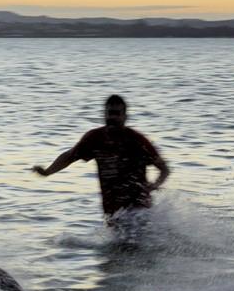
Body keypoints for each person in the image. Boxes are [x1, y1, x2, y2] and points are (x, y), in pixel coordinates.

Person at [31, 95, 169, 222]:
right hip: (112, 210)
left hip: (138, 208)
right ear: (104, 115)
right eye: (110, 113)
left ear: (125, 117)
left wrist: (154, 185)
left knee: (130, 243)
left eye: (117, 114)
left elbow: (164, 169)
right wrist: (47, 172)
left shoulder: (137, 140)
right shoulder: (95, 138)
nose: (113, 118)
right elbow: (69, 157)